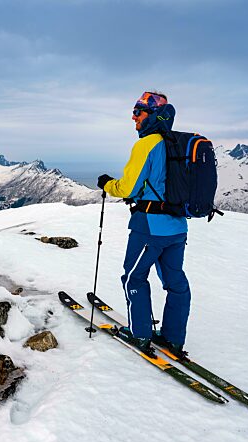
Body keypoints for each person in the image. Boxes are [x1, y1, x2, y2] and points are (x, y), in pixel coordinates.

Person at [97, 91, 191, 359]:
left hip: (149, 226)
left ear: (152, 115)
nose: (133, 117)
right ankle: (173, 338)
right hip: (177, 228)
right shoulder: (177, 144)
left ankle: (139, 334)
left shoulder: (147, 144)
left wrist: (107, 184)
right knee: (175, 282)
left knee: (134, 277)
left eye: (138, 112)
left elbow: (129, 186)